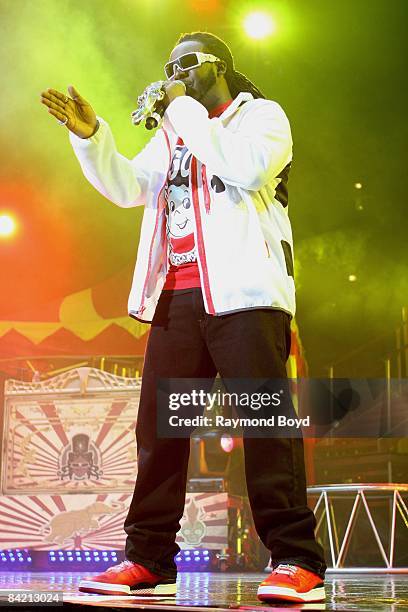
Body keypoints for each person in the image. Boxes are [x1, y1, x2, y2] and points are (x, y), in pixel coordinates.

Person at [40, 31, 327, 604]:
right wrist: (93, 139)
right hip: (177, 299)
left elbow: (244, 168)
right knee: (159, 433)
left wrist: (181, 111)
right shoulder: (177, 132)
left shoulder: (260, 118)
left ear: (219, 69)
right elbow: (128, 187)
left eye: (186, 64)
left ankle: (297, 560)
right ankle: (149, 558)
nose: (174, 73)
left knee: (265, 429)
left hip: (244, 299)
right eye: (168, 66)